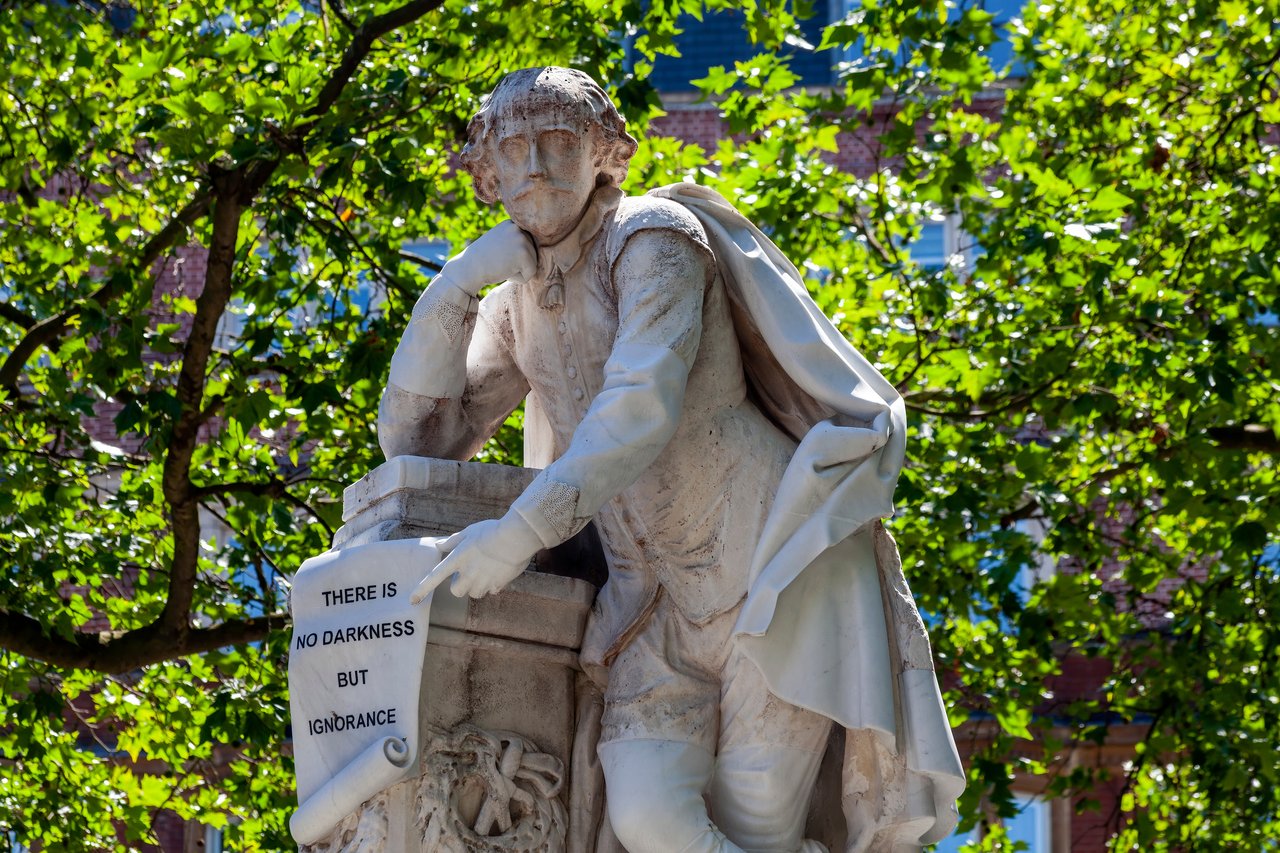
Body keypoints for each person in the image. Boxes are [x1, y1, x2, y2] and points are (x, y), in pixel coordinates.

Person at [382, 67, 964, 853]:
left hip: (769, 571)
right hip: (648, 610)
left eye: (561, 142)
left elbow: (639, 403)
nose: (539, 168)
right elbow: (419, 445)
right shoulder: (515, 300)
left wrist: (520, 532)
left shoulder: (654, 238)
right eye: (514, 149)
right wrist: (454, 286)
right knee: (648, 818)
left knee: (752, 825)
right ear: (487, 174)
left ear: (605, 155)